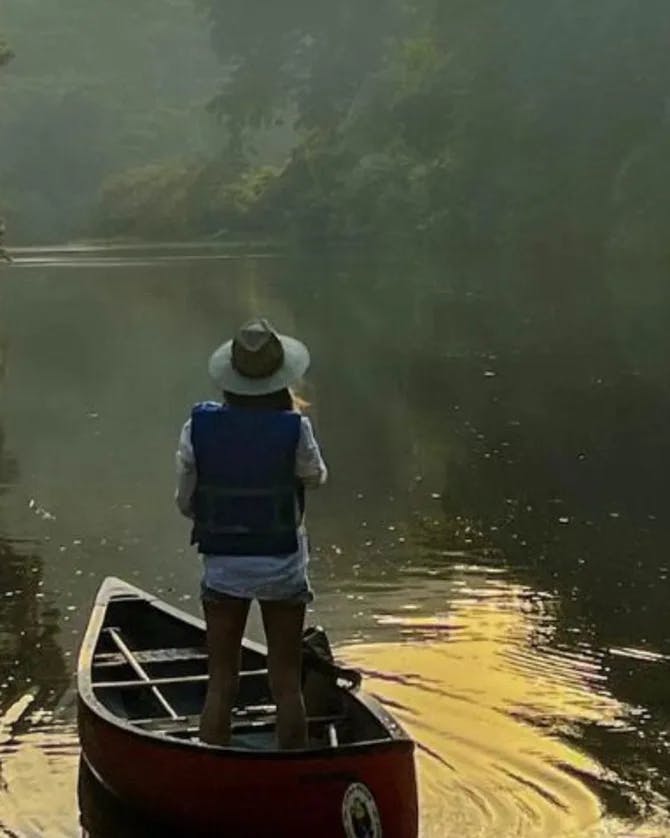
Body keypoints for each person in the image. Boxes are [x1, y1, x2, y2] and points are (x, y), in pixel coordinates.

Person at [175, 318, 327, 749]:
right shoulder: (295, 427)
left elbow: (186, 502)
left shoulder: (197, 429)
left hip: (224, 568)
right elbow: (314, 478)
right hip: (282, 565)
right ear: (280, 379)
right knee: (286, 683)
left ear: (231, 379)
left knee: (221, 682)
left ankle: (212, 776)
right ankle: (292, 775)